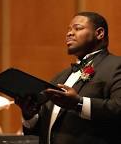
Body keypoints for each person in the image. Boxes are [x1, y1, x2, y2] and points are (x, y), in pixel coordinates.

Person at [16, 12, 121, 144]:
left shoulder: (116, 66)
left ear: (99, 33)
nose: (69, 33)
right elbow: (39, 131)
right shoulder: (60, 77)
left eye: (77, 28)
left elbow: (118, 108)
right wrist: (29, 114)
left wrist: (79, 103)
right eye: (69, 30)